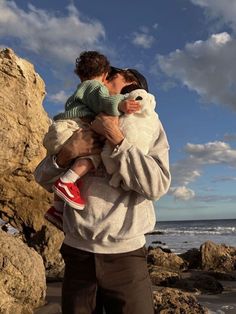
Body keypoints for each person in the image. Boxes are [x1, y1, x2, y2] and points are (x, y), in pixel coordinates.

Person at [34, 67, 171, 314]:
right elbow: (42, 177)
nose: (101, 83)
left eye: (109, 78)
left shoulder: (148, 123)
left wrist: (118, 140)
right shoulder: (80, 120)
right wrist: (68, 153)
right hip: (77, 254)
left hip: (126, 257)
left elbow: (157, 186)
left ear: (130, 83)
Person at [43, 51, 141, 230]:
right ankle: (67, 183)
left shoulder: (83, 88)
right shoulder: (95, 88)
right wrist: (120, 104)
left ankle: (57, 209)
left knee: (68, 166)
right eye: (114, 77)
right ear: (104, 76)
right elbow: (104, 102)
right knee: (93, 154)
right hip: (74, 127)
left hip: (62, 128)